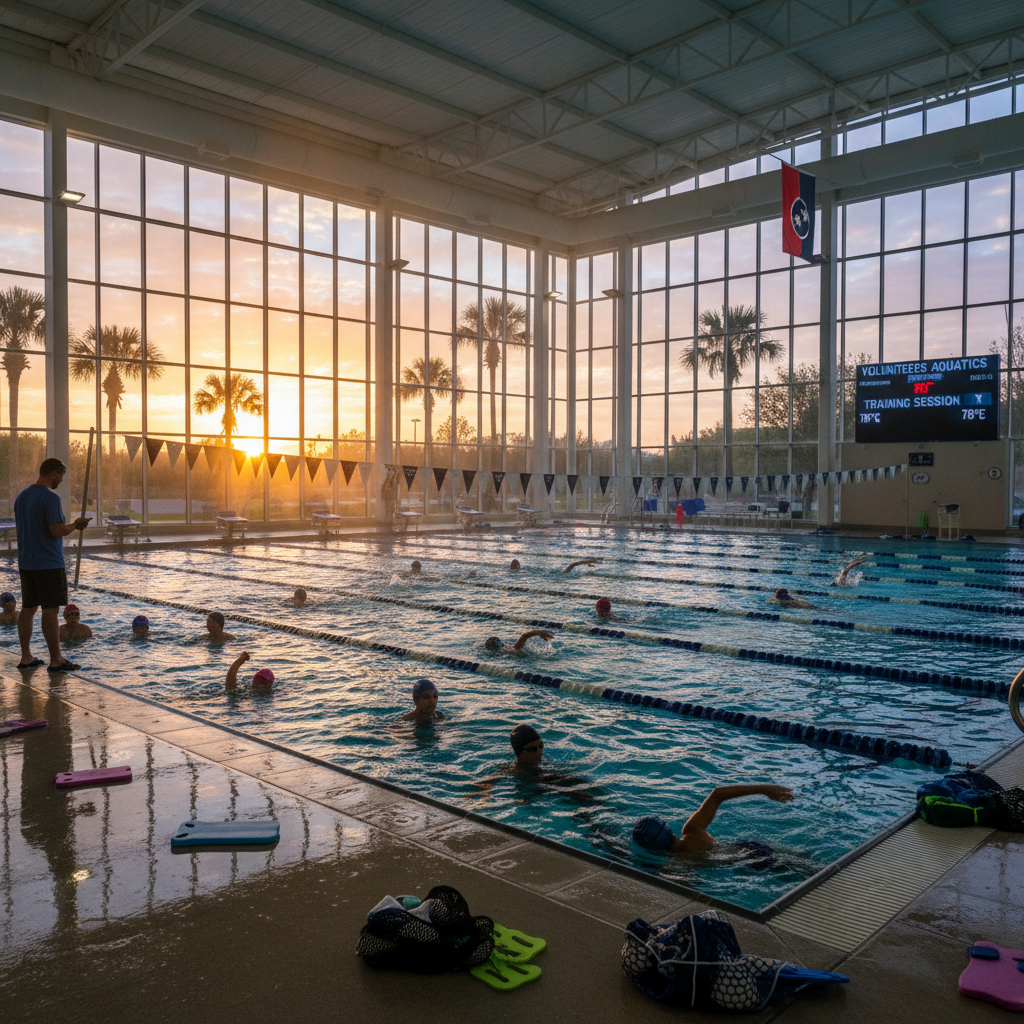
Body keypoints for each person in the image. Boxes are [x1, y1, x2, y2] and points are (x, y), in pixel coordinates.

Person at [14, 458, 91, 673]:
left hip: (27, 561)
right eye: (62, 476)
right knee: (50, 610)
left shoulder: (22, 497)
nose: (62, 480)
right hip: (48, 562)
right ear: (54, 473)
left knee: (28, 609)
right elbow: (56, 530)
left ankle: (26, 657)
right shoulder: (50, 497)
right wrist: (75, 525)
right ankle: (56, 660)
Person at [632, 784, 795, 865]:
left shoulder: (679, 864)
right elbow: (718, 794)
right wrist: (764, 789)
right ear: (666, 827)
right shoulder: (692, 830)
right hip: (747, 846)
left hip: (748, 863)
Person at [484, 629, 555, 655]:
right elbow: (524, 636)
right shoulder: (507, 651)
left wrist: (538, 632)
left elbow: (524, 636)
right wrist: (538, 632)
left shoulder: (505, 651)